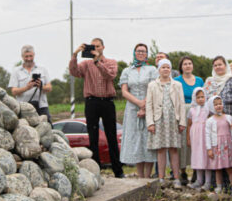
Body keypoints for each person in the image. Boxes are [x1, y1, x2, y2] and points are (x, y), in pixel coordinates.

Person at [68, 38, 124, 178]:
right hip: (92, 102)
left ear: (103, 47)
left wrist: (98, 61)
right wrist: (75, 55)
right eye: (93, 46)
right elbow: (74, 72)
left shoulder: (111, 62)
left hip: (107, 102)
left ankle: (118, 171)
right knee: (93, 137)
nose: (95, 49)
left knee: (111, 136)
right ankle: (96, 170)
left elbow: (110, 75)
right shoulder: (86, 64)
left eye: (97, 46)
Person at [118, 43, 158, 177]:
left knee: (148, 140)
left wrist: (145, 105)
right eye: (138, 51)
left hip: (149, 106)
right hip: (132, 108)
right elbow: (124, 91)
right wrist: (138, 103)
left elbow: (154, 87)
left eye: (143, 51)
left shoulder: (152, 69)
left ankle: (148, 175)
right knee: (136, 140)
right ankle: (140, 175)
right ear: (134, 53)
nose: (141, 53)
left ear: (147, 54)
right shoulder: (127, 71)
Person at [146, 59, 186, 188]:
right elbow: (149, 105)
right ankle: (161, 178)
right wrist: (150, 123)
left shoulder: (177, 85)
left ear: (171, 69)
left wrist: (182, 122)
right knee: (161, 150)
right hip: (159, 120)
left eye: (168, 67)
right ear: (159, 69)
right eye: (163, 67)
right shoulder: (152, 85)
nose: (165, 70)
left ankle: (176, 178)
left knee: (174, 150)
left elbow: (181, 104)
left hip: (173, 120)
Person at [204, 56, 232, 167]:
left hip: (231, 121)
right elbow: (205, 102)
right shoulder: (209, 81)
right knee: (216, 149)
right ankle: (218, 182)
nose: (218, 67)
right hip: (214, 124)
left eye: (220, 64)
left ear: (225, 66)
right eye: (215, 65)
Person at [174, 56, 204, 183]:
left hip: (197, 112)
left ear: (192, 66)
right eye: (185, 64)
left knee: (196, 141)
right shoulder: (176, 80)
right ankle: (182, 172)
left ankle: (197, 171)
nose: (187, 66)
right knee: (182, 143)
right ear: (181, 67)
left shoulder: (199, 80)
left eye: (189, 63)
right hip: (182, 111)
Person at [205, 95, 232, 197]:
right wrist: (209, 149)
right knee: (218, 168)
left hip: (227, 146)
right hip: (217, 146)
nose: (218, 106)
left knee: (230, 168)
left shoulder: (228, 117)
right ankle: (219, 187)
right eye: (215, 104)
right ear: (211, 106)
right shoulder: (210, 120)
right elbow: (207, 135)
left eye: (220, 104)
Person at [9, 45, 53, 122]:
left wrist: (41, 86)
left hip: (41, 107)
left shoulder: (42, 69)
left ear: (34, 55)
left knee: (47, 130)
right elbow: (14, 91)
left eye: (30, 56)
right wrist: (27, 88)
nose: (29, 58)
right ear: (22, 56)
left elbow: (49, 88)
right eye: (26, 56)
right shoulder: (16, 71)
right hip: (24, 108)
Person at [187, 88, 212, 190]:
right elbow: (189, 125)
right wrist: (188, 138)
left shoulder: (208, 110)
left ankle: (208, 182)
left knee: (206, 157)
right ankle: (199, 180)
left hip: (205, 136)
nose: (201, 99)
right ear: (194, 98)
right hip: (196, 137)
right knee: (197, 156)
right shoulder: (192, 110)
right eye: (198, 97)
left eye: (202, 97)